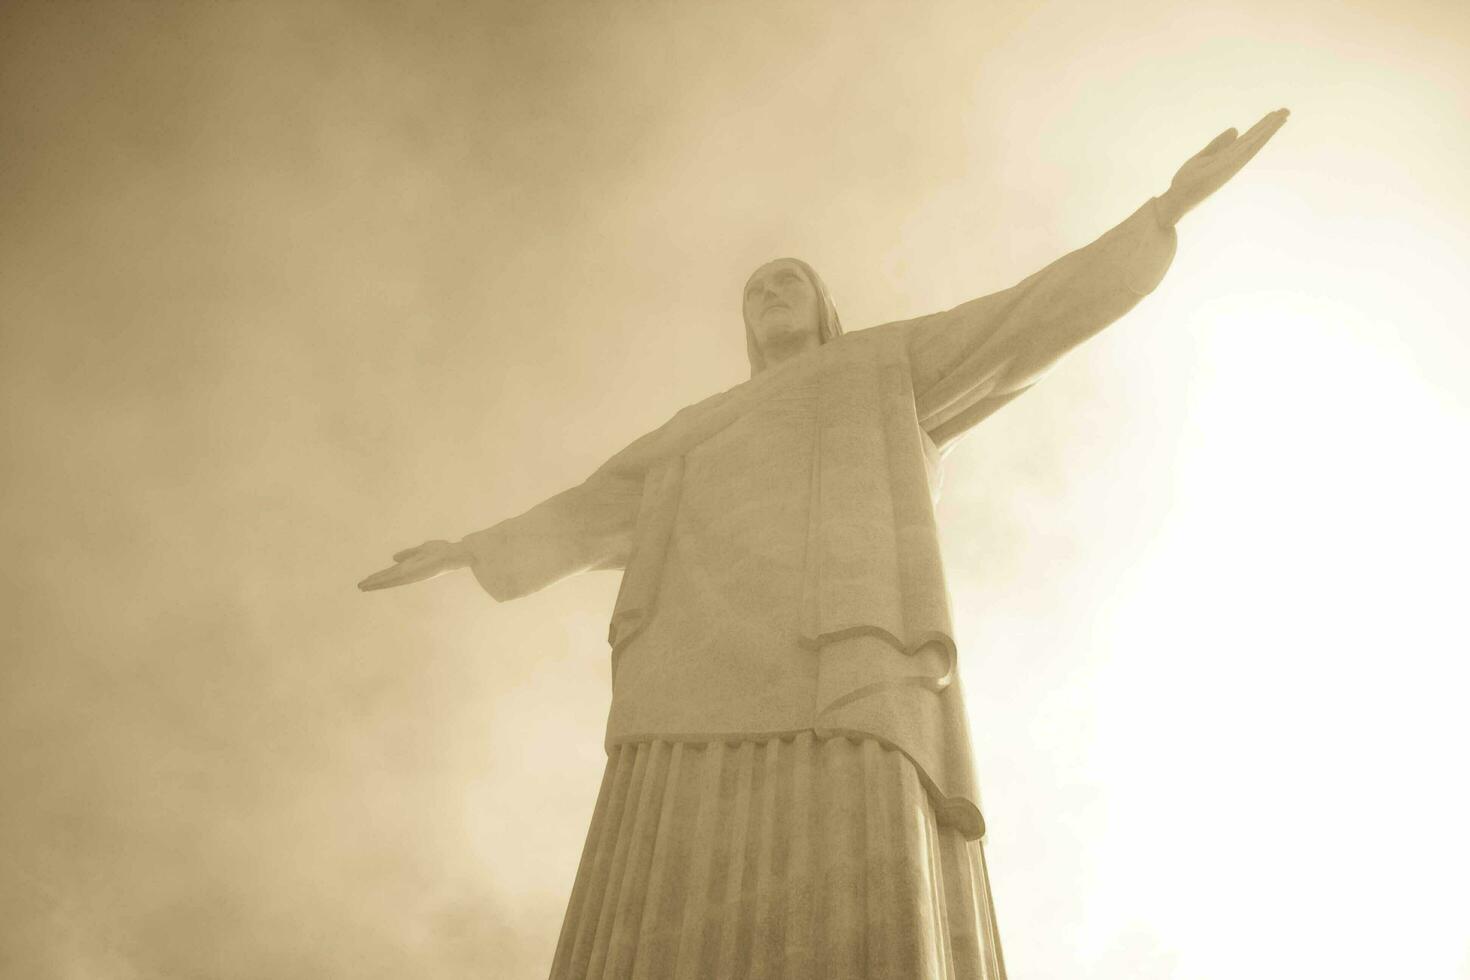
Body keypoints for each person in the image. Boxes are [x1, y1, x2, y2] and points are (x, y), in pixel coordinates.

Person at [359, 108, 1290, 979]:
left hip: (843, 660)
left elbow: (1025, 319)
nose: (770, 295)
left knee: (855, 858)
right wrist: (475, 547)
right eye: (755, 290)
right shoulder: (699, 425)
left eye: (787, 281)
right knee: (669, 884)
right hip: (690, 677)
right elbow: (594, 507)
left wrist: (1162, 215)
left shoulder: (881, 367)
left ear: (822, 305)